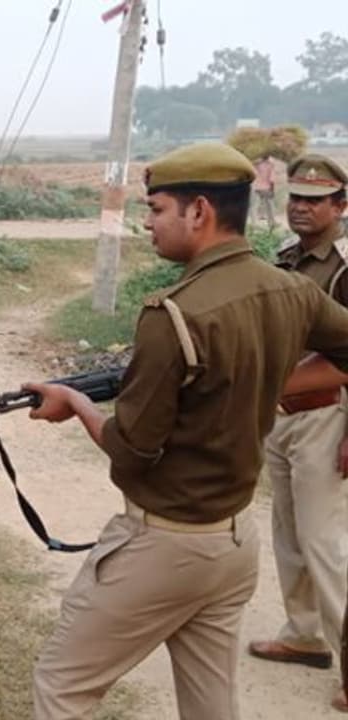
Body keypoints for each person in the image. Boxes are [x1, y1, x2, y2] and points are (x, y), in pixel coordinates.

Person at [24, 143, 348, 719]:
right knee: (210, 708)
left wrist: (75, 403)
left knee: (60, 687)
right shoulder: (291, 288)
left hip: (165, 543)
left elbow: (131, 452)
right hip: (230, 542)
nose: (146, 223)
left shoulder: (171, 313)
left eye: (156, 209)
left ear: (198, 211)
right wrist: (274, 385)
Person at [247, 155, 348, 682]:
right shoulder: (288, 259)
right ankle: (304, 635)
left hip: (328, 416)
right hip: (284, 416)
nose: (303, 208)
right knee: (288, 533)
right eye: (297, 198)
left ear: (341, 206)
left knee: (323, 542)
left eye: (316, 199)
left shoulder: (344, 268)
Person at [253, 154, 277, 229]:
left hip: (256, 187)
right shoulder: (271, 163)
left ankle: (254, 225)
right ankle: (272, 224)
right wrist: (272, 190)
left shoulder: (256, 163)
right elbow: (272, 179)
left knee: (254, 207)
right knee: (269, 207)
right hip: (266, 188)